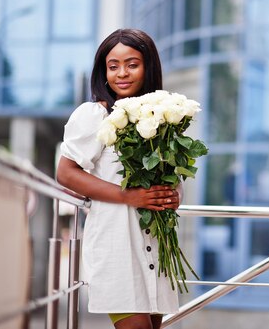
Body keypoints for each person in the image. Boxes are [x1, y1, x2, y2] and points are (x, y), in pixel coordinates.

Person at [56, 28, 181, 329]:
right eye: (113, 66)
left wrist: (173, 195)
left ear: (148, 67)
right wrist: (129, 196)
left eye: (132, 64)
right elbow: (66, 172)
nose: (121, 73)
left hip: (155, 244)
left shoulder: (163, 116)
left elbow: (171, 177)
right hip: (116, 244)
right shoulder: (93, 115)